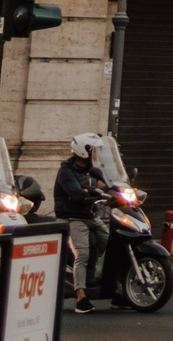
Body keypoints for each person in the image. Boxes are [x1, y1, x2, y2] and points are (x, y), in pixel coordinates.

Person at [55, 132, 112, 313]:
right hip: (73, 217)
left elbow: (107, 184)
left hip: (90, 216)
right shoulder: (66, 171)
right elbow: (77, 194)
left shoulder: (91, 170)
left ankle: (115, 290)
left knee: (111, 245)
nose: (97, 154)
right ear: (84, 152)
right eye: (95, 151)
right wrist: (94, 189)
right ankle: (81, 297)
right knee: (83, 254)